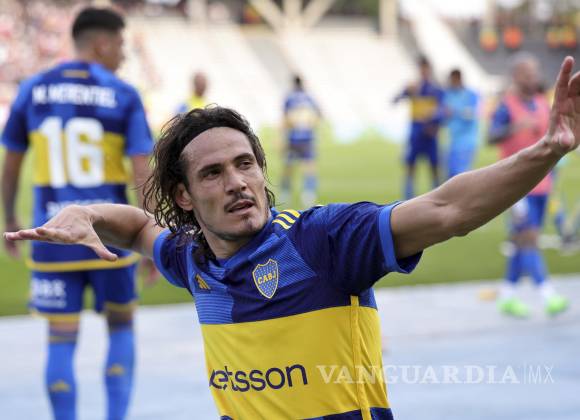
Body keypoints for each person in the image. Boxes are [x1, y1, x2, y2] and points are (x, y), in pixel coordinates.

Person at [5, 57, 580, 419]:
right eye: (213, 173)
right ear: (184, 196)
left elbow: (448, 209)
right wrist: (86, 211)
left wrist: (547, 150)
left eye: (245, 164)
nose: (238, 183)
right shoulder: (193, 259)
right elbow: (135, 225)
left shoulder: (323, 241)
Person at [1, 7, 154, 420]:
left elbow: (11, 163)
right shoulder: (123, 94)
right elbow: (142, 171)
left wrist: (10, 218)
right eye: (120, 44)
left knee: (60, 339)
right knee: (121, 327)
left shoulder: (32, 89)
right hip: (111, 235)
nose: (123, 54)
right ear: (101, 44)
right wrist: (151, 235)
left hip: (53, 235)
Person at [489, 52, 569, 317]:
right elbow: (490, 136)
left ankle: (507, 295)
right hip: (515, 186)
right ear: (515, 75)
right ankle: (548, 295)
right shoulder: (506, 106)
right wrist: (513, 128)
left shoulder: (542, 102)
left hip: (542, 184)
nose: (532, 76)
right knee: (529, 238)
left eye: (534, 71)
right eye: (527, 72)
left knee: (521, 242)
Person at [393, 55, 444, 199]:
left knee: (434, 166)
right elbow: (395, 100)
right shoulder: (413, 87)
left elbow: (443, 110)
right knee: (410, 165)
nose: (423, 71)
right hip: (415, 132)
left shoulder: (435, 89)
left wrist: (434, 121)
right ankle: (408, 197)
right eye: (421, 68)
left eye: (425, 68)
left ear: (429, 69)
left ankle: (437, 196)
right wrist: (405, 91)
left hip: (430, 133)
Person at [280, 74, 321, 207]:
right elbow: (317, 115)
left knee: (288, 167)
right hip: (307, 137)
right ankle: (309, 194)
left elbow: (285, 118)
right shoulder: (309, 98)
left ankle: (285, 193)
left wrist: (281, 137)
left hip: (293, 137)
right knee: (309, 166)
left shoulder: (289, 98)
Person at [443, 68, 480, 178]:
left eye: (452, 80)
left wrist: (454, 111)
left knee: (461, 174)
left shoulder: (471, 94)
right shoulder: (448, 94)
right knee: (450, 174)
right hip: (453, 139)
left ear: (458, 78)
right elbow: (445, 114)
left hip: (467, 140)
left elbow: (471, 114)